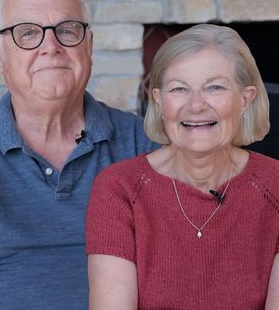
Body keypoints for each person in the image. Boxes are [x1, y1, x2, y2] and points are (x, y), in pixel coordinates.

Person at [0, 0, 158, 310]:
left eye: (67, 30)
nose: (51, 47)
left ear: (89, 45)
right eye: (28, 33)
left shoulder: (143, 142)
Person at [86, 24, 279, 309]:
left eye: (215, 87)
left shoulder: (274, 187)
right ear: (159, 101)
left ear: (245, 99)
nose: (196, 105)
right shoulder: (120, 189)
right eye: (179, 89)